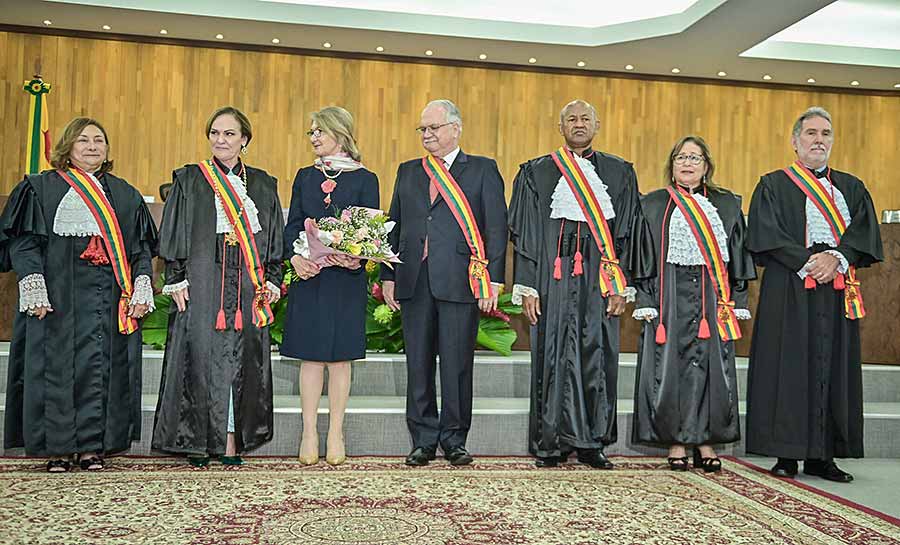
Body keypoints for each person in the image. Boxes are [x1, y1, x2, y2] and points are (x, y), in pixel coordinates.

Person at [0, 117, 157, 472]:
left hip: (108, 299)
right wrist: (33, 283)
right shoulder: (40, 188)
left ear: (107, 148)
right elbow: (24, 243)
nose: (91, 146)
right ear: (68, 146)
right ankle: (57, 448)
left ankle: (92, 448)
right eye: (83, 140)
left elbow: (140, 250)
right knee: (55, 369)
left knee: (103, 370)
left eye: (99, 140)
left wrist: (143, 282)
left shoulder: (125, 194)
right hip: (55, 299)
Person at [508, 99, 652, 469]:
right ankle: (550, 442)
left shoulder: (620, 172)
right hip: (551, 276)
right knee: (550, 353)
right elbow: (524, 235)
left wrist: (622, 287)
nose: (578, 124)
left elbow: (628, 236)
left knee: (598, 352)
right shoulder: (535, 172)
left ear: (597, 124)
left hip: (599, 279)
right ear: (560, 127)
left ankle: (592, 442)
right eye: (571, 119)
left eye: (585, 118)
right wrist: (527, 286)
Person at [746, 107, 883, 482]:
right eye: (810, 133)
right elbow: (764, 233)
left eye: (825, 133)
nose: (818, 140)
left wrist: (836, 259)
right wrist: (809, 261)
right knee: (787, 366)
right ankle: (787, 454)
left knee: (832, 365)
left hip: (837, 288)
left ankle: (824, 455)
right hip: (789, 286)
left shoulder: (852, 187)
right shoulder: (772, 184)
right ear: (795, 141)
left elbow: (864, 234)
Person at [152, 106, 284, 466]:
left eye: (229, 134)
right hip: (202, 279)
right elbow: (174, 232)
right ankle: (196, 440)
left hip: (246, 285)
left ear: (244, 140)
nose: (220, 140)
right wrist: (175, 277)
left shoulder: (262, 183)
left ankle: (230, 440)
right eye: (215, 133)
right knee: (197, 356)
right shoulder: (190, 180)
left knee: (241, 361)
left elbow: (273, 236)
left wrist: (272, 278)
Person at [381, 99, 507, 466]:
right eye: (422, 129)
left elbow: (496, 228)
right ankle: (423, 439)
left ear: (456, 128)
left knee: (456, 364)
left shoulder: (482, 169)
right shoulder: (408, 171)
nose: (427, 134)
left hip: (462, 281)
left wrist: (494, 280)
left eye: (433, 127)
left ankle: (454, 439)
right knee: (418, 364)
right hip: (414, 281)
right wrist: (388, 275)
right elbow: (395, 226)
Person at [631, 136, 755, 471]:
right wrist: (646, 300)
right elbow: (642, 258)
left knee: (713, 367)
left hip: (713, 297)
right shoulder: (652, 205)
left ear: (707, 166)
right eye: (681, 157)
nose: (687, 162)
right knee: (670, 367)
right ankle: (675, 441)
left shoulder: (727, 205)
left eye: (695, 157)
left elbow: (739, 260)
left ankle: (705, 441)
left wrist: (736, 300)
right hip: (668, 295)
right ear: (672, 165)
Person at [282, 106, 379, 466]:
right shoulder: (305, 176)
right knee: (311, 357)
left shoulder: (366, 179)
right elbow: (292, 225)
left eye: (318, 131)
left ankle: (335, 431)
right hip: (311, 276)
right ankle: (309, 431)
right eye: (311, 133)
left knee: (340, 360)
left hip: (345, 279)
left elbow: (372, 231)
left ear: (339, 132)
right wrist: (295, 259)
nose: (313, 138)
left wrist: (358, 257)